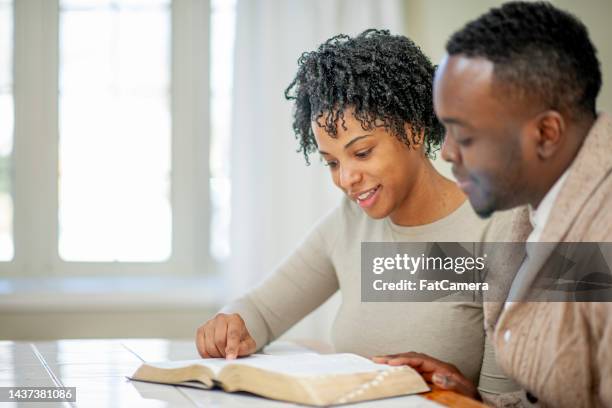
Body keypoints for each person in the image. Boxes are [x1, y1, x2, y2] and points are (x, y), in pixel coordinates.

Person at [195, 30, 516, 397]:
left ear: (412, 131)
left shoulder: (497, 229)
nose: (346, 179)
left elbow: (508, 402)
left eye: (361, 153)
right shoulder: (350, 222)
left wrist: (460, 393)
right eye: (331, 162)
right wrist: (230, 325)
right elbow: (261, 311)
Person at [374, 2, 612, 407]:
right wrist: (480, 400)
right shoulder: (533, 212)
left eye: (464, 136)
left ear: (546, 133)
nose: (446, 152)